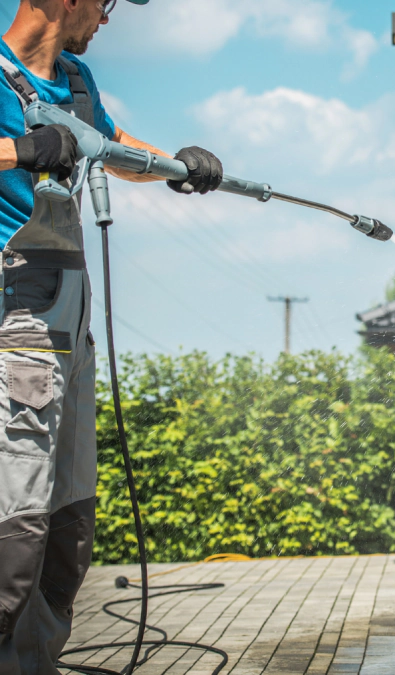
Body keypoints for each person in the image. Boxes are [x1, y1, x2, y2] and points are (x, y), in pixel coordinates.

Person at [0, 1, 223, 672]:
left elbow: (113, 142)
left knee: (69, 508)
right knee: (21, 504)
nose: (109, 18)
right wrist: (19, 149)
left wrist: (177, 167)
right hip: (19, 314)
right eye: (106, 2)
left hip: (72, 308)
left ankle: (34, 661)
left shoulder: (75, 83)